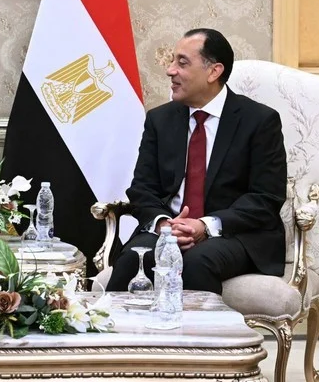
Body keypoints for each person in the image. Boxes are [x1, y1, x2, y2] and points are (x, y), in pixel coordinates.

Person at [106, 28, 287, 294]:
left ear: (213, 72)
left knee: (196, 262)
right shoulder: (160, 120)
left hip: (234, 234)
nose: (170, 71)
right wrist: (164, 225)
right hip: (169, 230)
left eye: (182, 63)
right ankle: (117, 324)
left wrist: (205, 225)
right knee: (132, 259)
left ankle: (200, 324)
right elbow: (142, 189)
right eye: (172, 61)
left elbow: (266, 197)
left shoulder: (259, 121)